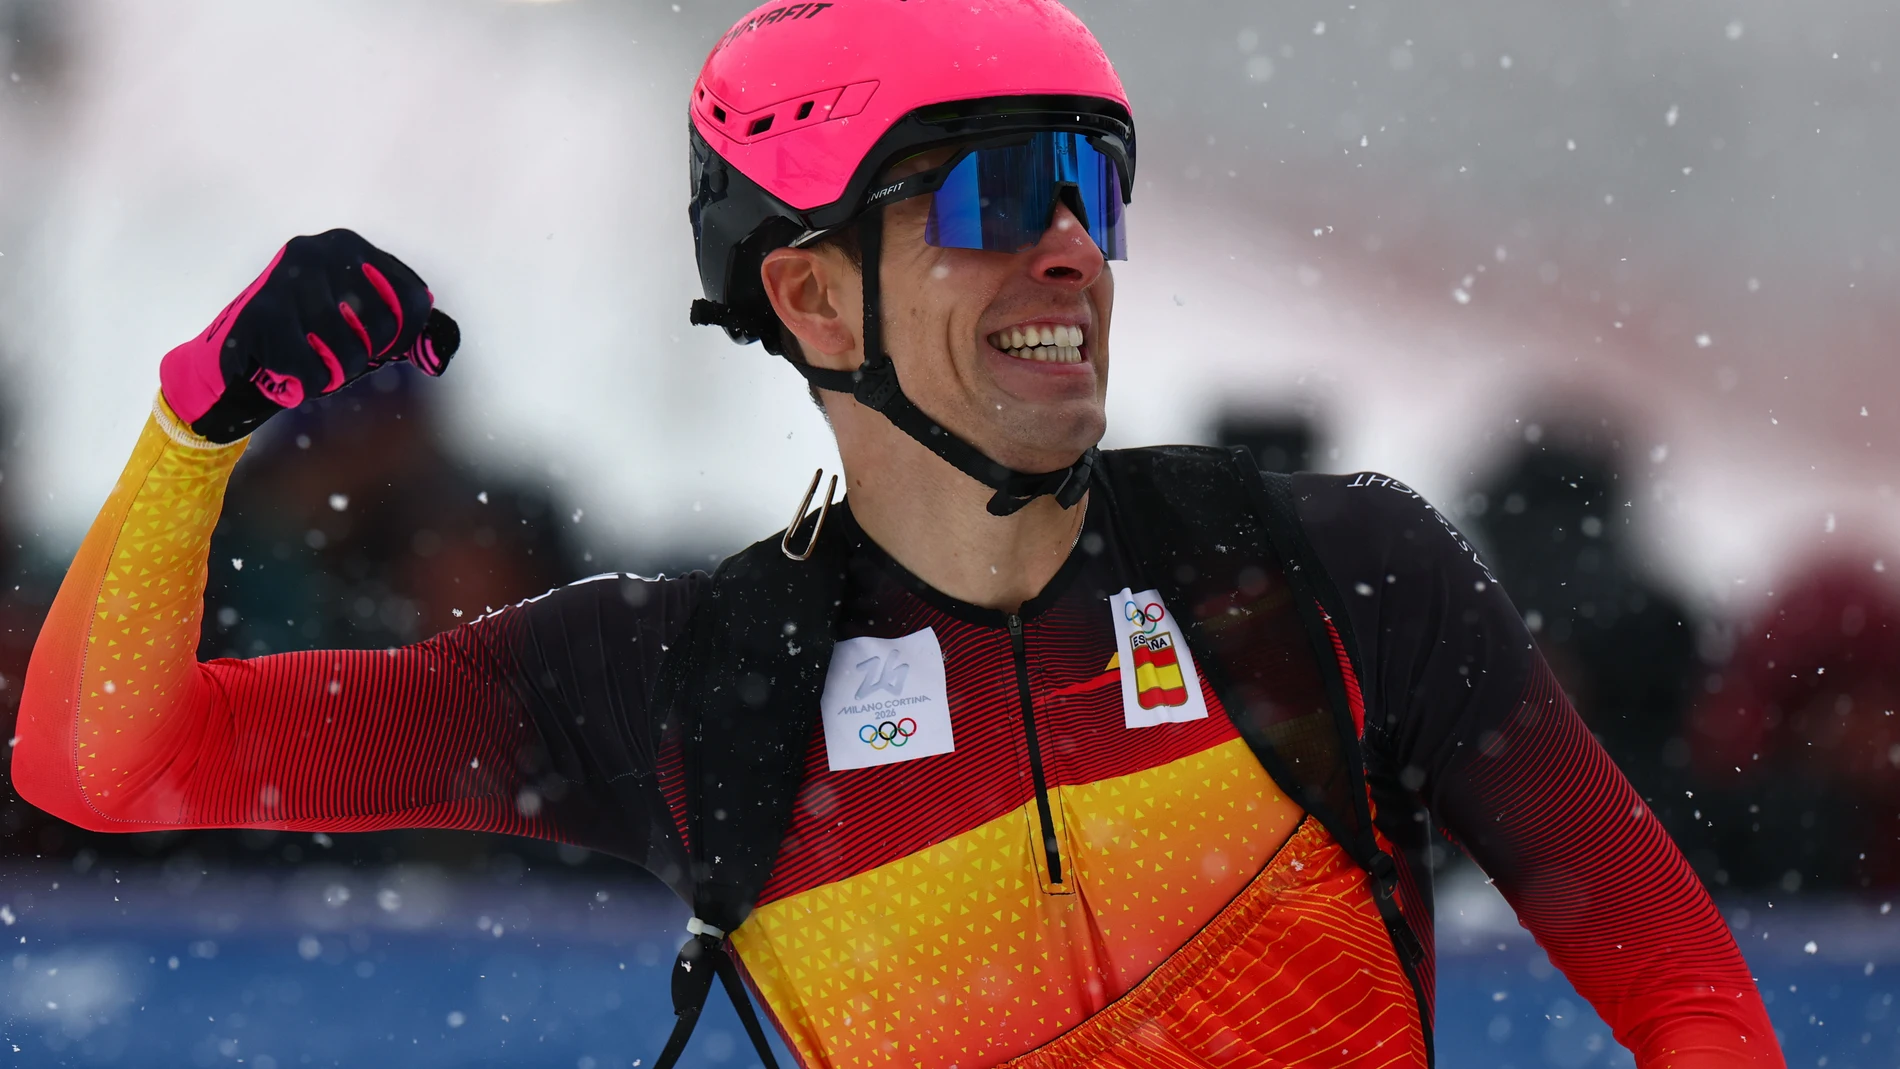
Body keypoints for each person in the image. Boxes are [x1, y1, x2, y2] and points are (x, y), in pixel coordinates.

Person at [11, 2, 1780, 1067]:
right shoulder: (674, 685)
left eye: (1094, 187)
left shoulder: (1330, 573)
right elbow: (106, 763)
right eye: (1002, 194)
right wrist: (196, 434)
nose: (1073, 251)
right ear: (813, 295)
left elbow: (1685, 986)